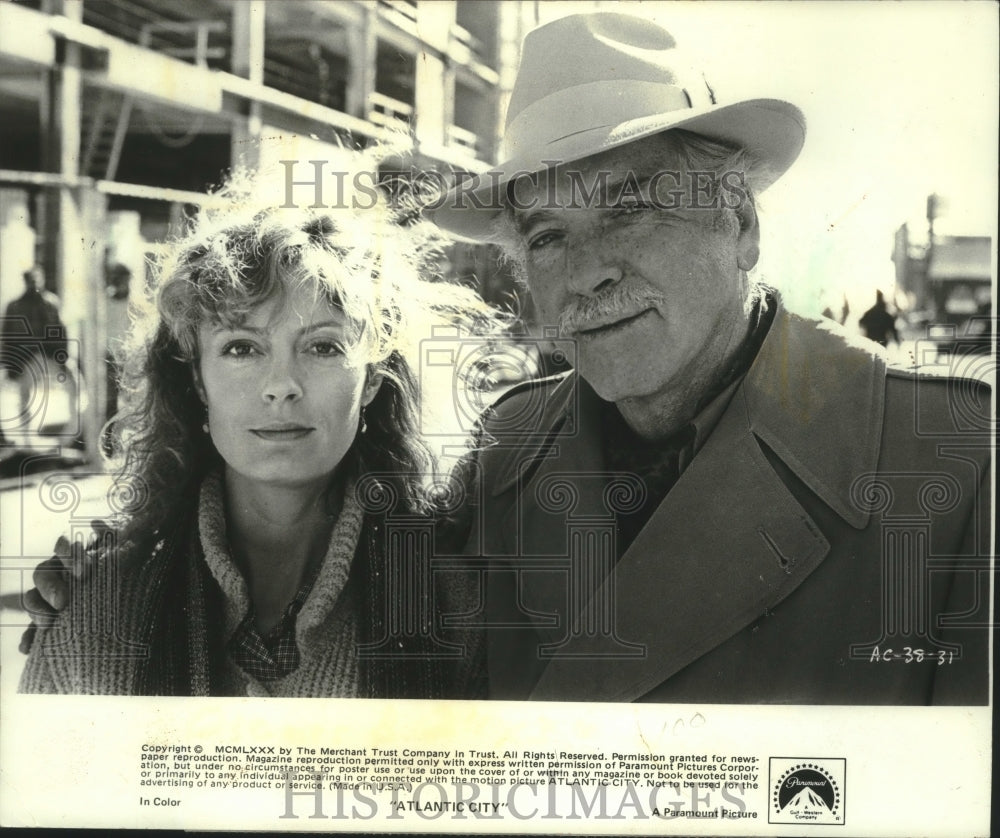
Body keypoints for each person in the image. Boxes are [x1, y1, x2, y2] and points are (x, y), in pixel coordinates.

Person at [427, 12, 991, 704]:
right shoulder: (503, 453)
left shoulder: (955, 463)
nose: (585, 274)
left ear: (741, 224)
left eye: (629, 207)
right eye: (547, 237)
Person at [19, 167, 498, 697]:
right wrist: (95, 598)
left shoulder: (461, 607)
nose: (281, 387)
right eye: (242, 348)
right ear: (196, 380)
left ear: (371, 382)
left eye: (323, 347)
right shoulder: (96, 614)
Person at [0, 266, 80, 440]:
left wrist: (63, 357)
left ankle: (73, 432)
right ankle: (25, 436)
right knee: (23, 394)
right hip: (26, 359)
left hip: (49, 355)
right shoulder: (14, 306)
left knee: (74, 382)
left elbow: (61, 331)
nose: (34, 283)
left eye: (37, 279)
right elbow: (7, 335)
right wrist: (11, 364)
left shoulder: (52, 303)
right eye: (31, 280)